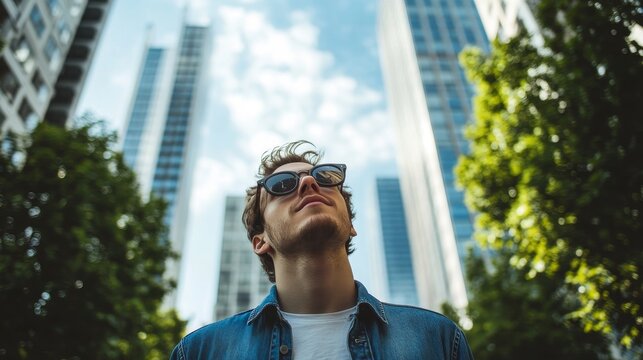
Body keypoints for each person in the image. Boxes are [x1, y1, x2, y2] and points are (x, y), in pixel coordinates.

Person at [170, 141, 473, 359]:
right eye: (281, 185)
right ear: (260, 241)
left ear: (351, 224)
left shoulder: (437, 339)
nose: (309, 183)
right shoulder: (201, 351)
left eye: (326, 178)